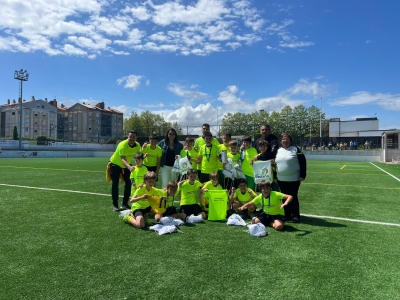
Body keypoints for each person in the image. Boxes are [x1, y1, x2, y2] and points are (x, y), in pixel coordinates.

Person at [274, 133, 306, 223]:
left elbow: (303, 162)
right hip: (281, 179)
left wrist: (302, 175)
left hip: (294, 179)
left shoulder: (296, 149)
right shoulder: (278, 150)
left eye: (287, 139)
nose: (285, 141)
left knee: (293, 197)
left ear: (290, 141)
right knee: (284, 197)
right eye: (283, 139)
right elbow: (274, 165)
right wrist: (275, 176)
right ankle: (287, 215)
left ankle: (295, 215)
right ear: (281, 141)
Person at [108, 130, 141, 211]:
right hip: (115, 164)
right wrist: (129, 167)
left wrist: (144, 156)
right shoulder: (122, 145)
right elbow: (123, 159)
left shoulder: (137, 146)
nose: (132, 139)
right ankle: (115, 205)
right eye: (130, 137)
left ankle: (125, 203)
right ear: (127, 136)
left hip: (126, 166)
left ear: (136, 138)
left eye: (133, 137)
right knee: (115, 184)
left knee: (129, 183)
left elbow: (139, 157)